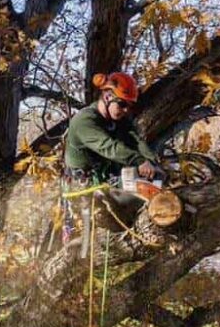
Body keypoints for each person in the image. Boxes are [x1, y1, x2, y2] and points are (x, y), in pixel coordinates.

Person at [56, 72, 160, 253]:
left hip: (104, 182)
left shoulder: (119, 121)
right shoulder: (84, 121)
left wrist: (151, 161)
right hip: (82, 190)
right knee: (82, 250)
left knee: (145, 189)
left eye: (129, 105)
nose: (126, 109)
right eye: (122, 104)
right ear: (107, 96)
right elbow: (109, 147)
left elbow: (135, 140)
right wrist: (139, 161)